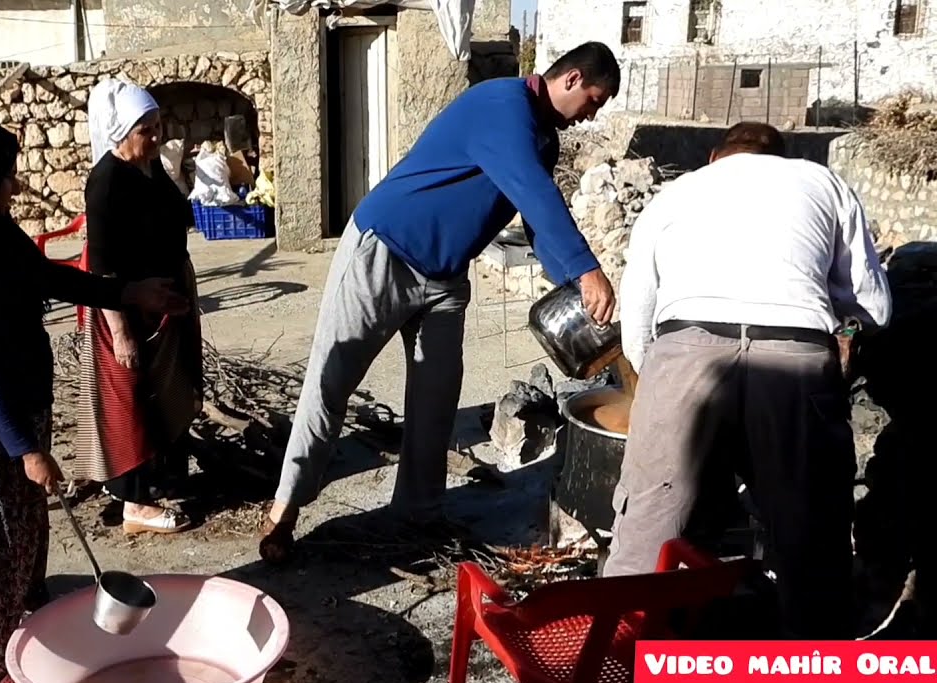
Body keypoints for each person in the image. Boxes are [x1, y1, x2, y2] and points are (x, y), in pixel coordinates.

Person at [259, 41, 623, 563]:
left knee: (435, 401)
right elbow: (535, 193)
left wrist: (571, 282)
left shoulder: (543, 141)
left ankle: (419, 513)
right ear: (570, 80)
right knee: (331, 380)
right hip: (383, 252)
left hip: (445, 278)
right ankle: (285, 509)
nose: (592, 115)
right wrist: (588, 269)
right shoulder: (502, 106)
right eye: (594, 99)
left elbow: (537, 220)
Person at [0, 117, 187, 683]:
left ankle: (26, 618)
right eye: (4, 177)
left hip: (7, 411)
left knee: (23, 526)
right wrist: (26, 448)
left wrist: (126, 293)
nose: (14, 186)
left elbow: (45, 277)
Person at [606, 121, 893, 639]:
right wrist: (842, 331)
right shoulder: (823, 182)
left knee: (652, 516)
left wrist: (662, 386)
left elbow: (638, 310)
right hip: (795, 353)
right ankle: (812, 673)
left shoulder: (678, 191)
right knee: (808, 525)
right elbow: (874, 306)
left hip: (684, 343)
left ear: (716, 156)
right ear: (781, 157)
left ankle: (622, 663)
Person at [71, 78, 203, 534]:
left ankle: (159, 480)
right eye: (146, 129)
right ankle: (135, 504)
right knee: (129, 397)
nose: (156, 136)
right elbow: (102, 268)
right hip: (124, 307)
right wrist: (122, 330)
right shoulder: (106, 182)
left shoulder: (149, 167)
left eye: (157, 125)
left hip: (162, 301)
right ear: (122, 131)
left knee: (167, 388)